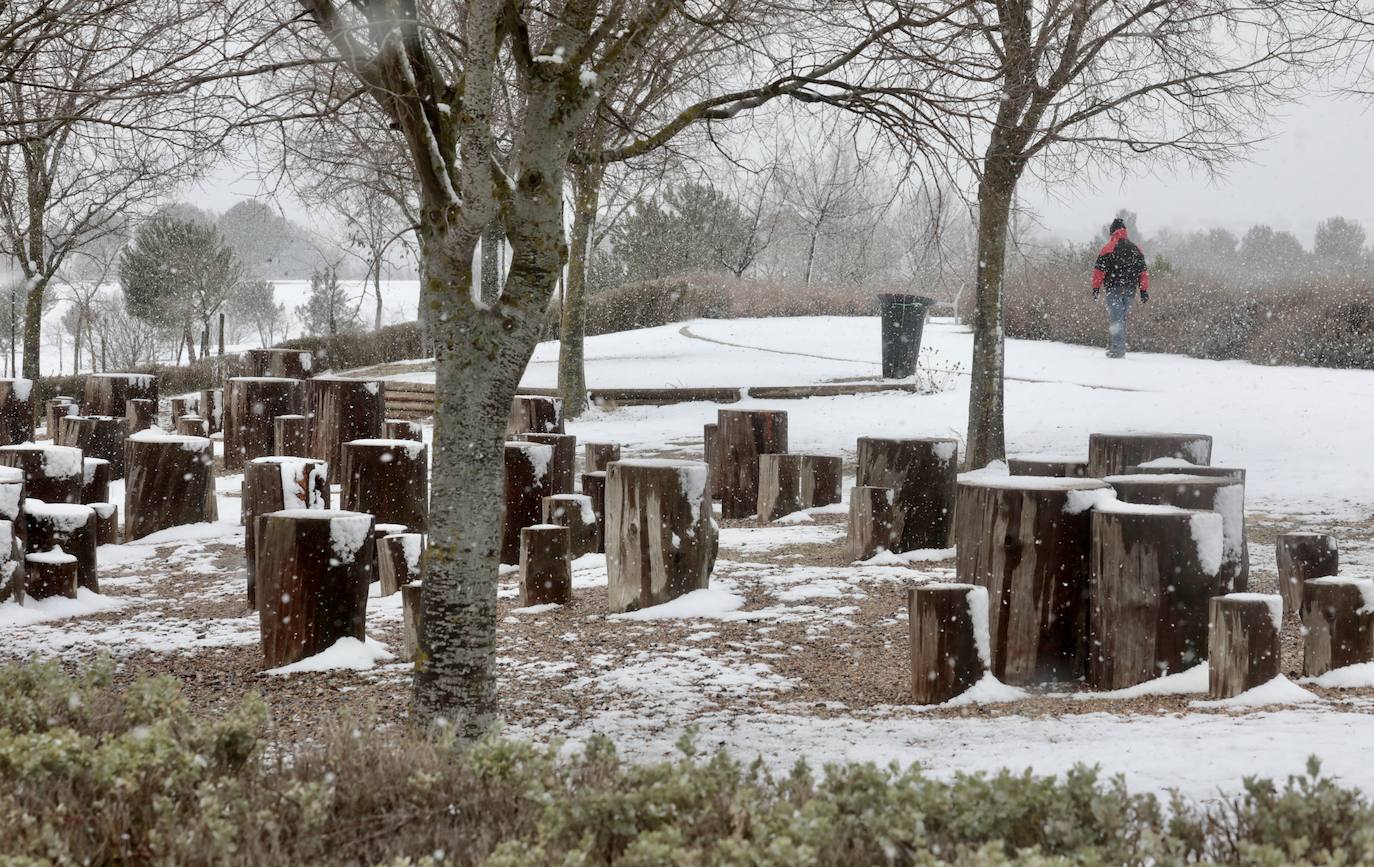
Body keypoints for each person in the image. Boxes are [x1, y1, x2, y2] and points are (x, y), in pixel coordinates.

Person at [1092, 217, 1149, 358]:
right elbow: (1143, 273)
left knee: (1116, 320)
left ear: (1112, 232)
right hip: (1130, 291)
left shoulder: (1108, 248)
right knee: (1121, 319)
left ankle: (1118, 350)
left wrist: (1096, 288)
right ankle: (1117, 347)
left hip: (1114, 289)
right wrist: (1143, 291)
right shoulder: (1136, 249)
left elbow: (1099, 271)